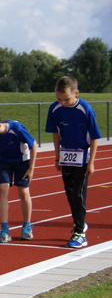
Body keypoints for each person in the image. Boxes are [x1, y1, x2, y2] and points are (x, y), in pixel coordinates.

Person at [45, 76, 102, 249]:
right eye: (59, 99)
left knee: (78, 193)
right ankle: (80, 221)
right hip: (66, 154)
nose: (62, 102)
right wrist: (57, 156)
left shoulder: (85, 110)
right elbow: (55, 133)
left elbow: (94, 138)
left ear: (76, 93)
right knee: (69, 193)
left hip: (83, 155)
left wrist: (91, 162)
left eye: (66, 99)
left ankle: (80, 232)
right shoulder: (55, 109)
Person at [0, 110, 37, 243]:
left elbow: (33, 146)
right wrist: (0, 153)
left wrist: (31, 169)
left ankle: (27, 226)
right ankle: (4, 229)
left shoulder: (16, 129)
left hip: (22, 161)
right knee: (2, 189)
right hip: (3, 161)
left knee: (23, 191)